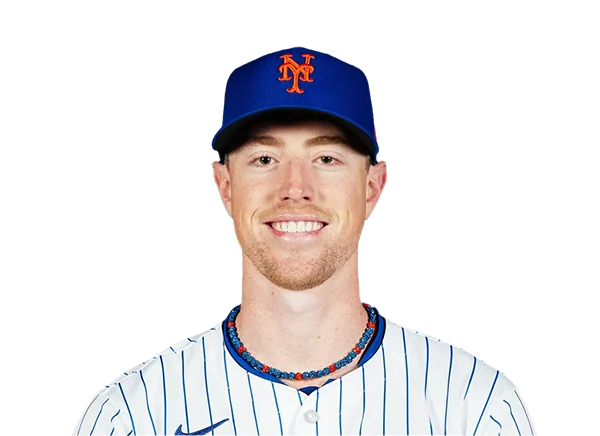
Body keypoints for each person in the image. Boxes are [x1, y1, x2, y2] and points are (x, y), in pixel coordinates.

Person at [73, 46, 536, 436]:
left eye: (327, 158)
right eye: (265, 159)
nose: (295, 189)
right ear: (225, 186)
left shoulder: (473, 407)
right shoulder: (133, 416)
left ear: (372, 187)